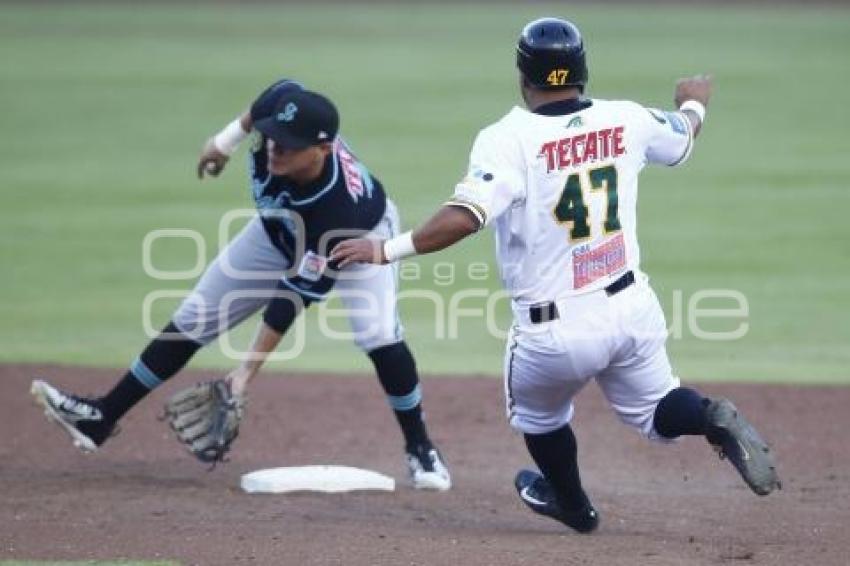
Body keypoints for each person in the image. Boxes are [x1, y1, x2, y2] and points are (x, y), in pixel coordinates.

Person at [331, 18, 779, 530]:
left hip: (554, 332)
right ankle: (708, 417)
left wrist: (384, 248)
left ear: (524, 76)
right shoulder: (627, 118)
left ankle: (574, 505)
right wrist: (693, 102)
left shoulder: (508, 138)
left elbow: (467, 216)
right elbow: (682, 138)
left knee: (538, 418)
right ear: (583, 70)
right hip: (631, 309)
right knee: (658, 408)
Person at [30, 79, 451, 491]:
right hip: (277, 231)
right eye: (271, 137)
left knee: (377, 335)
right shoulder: (282, 120)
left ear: (323, 149)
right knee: (196, 317)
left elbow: (290, 299)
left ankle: (420, 447)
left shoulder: (335, 211)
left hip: (361, 240)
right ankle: (101, 417)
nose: (274, 147)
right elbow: (275, 93)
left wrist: (245, 373)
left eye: (287, 143)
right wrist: (223, 141)